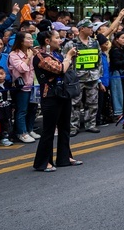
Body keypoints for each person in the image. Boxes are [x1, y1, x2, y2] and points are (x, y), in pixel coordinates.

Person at [32, 30, 82, 171]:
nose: (60, 40)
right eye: (57, 38)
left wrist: (70, 58)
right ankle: (43, 162)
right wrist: (68, 56)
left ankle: (64, 157)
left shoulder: (56, 54)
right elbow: (60, 69)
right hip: (51, 96)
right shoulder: (41, 56)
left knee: (64, 127)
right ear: (47, 41)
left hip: (63, 93)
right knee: (49, 130)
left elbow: (67, 69)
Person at [66, 19, 102, 136]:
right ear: (82, 29)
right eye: (89, 27)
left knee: (92, 103)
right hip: (77, 79)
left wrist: (98, 75)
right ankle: (73, 127)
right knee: (74, 104)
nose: (91, 30)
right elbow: (66, 60)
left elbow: (99, 60)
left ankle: (90, 124)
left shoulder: (95, 43)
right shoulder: (71, 44)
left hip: (92, 78)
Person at [9, 31, 39, 143]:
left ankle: (30, 129)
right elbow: (22, 69)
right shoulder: (13, 54)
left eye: (31, 38)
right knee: (22, 110)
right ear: (21, 41)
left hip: (34, 85)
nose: (31, 40)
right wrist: (29, 57)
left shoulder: (32, 52)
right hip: (22, 86)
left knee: (33, 108)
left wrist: (36, 54)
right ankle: (21, 132)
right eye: (28, 38)